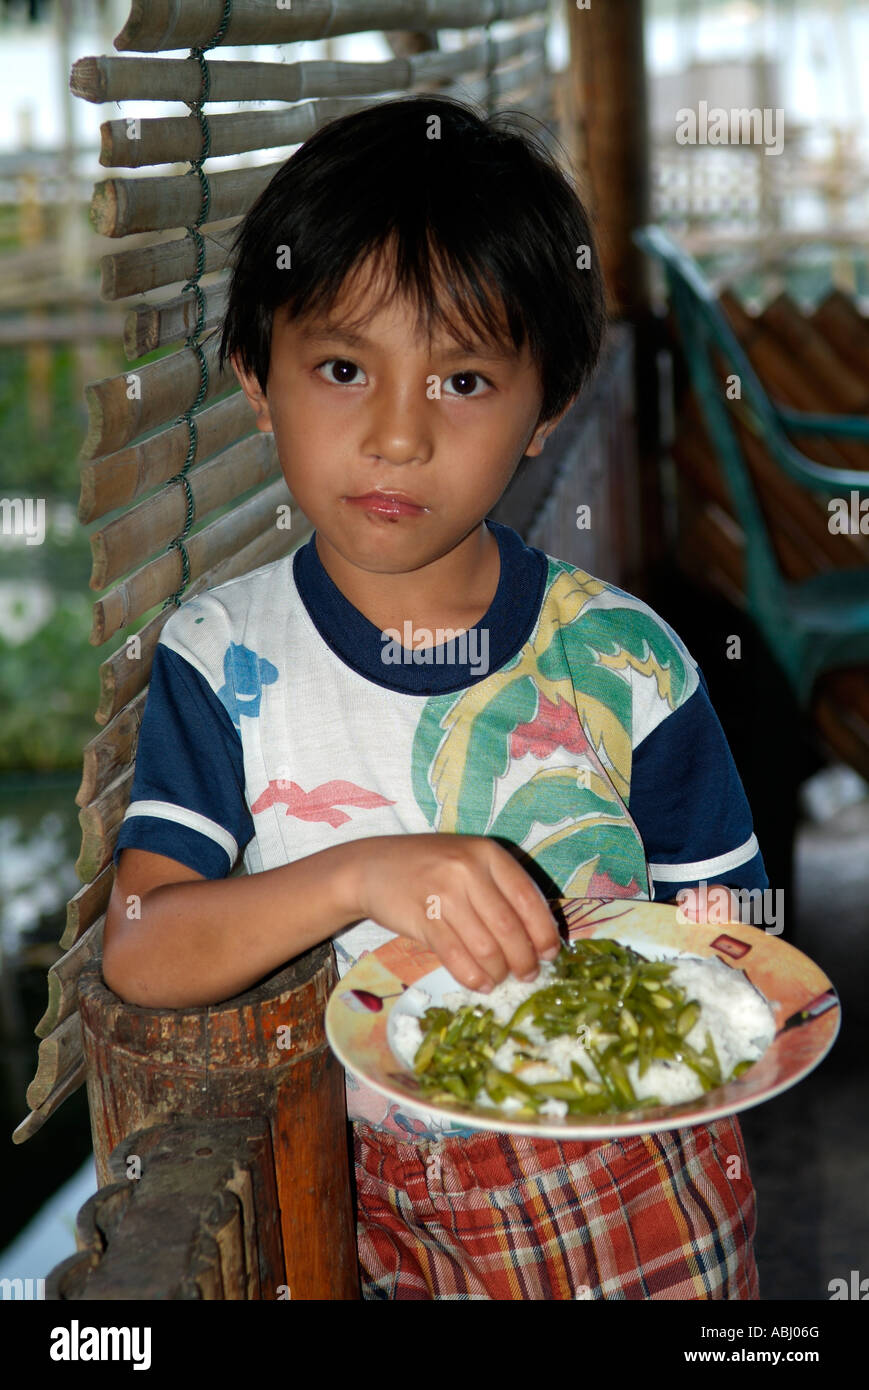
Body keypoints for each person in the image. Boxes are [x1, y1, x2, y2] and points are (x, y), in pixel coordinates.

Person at [103, 94, 769, 1300]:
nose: (397, 436)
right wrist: (364, 874)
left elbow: (739, 934)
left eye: (462, 380)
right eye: (344, 367)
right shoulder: (219, 658)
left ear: (545, 409)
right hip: (389, 1224)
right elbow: (144, 948)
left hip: (644, 1187)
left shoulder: (625, 659)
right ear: (257, 376)